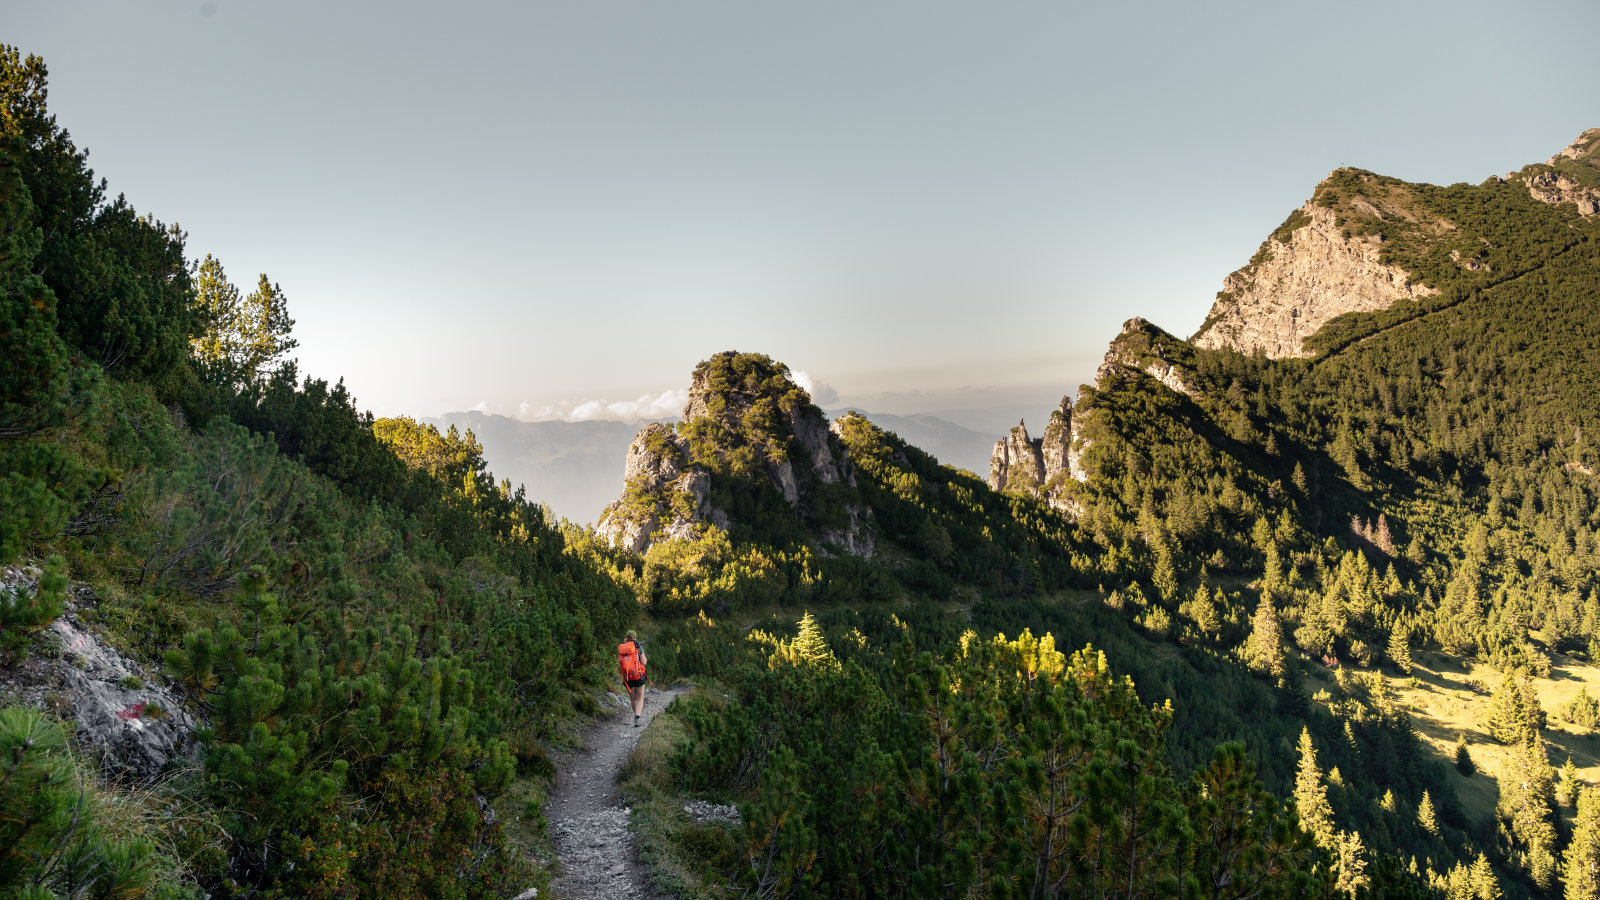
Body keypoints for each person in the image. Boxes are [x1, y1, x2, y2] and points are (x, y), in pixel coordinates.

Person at [618, 630, 648, 727]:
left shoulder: (622, 649)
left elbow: (620, 663)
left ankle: (636, 715)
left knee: (633, 699)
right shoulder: (638, 647)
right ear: (635, 637)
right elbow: (644, 662)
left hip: (627, 677)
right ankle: (637, 717)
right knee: (640, 697)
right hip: (638, 675)